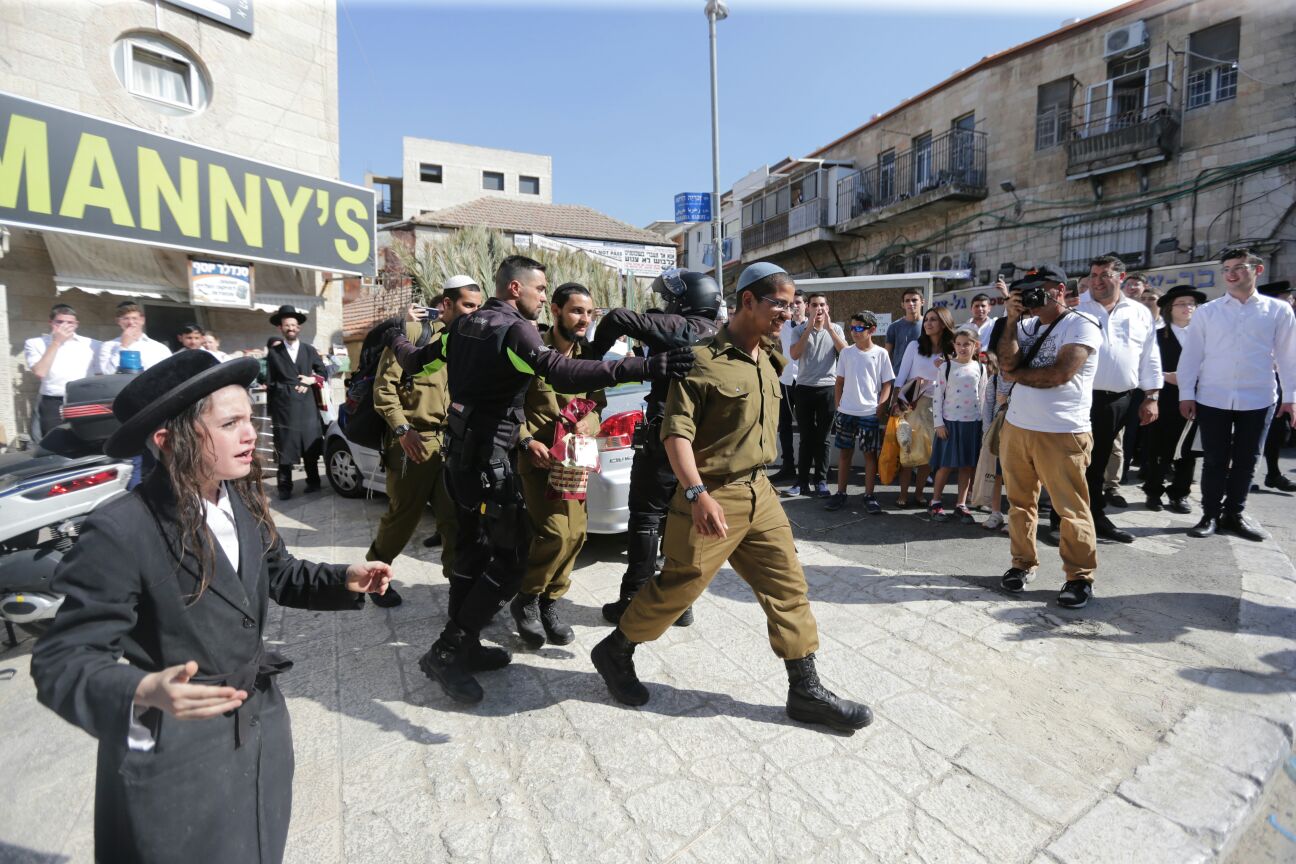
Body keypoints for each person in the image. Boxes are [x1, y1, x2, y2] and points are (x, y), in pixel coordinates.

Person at [30, 351, 391, 864]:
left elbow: (277, 573)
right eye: (230, 423)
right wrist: (141, 690)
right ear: (168, 439)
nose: (251, 434)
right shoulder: (121, 530)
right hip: (177, 755)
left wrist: (345, 580)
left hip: (260, 731)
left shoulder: (241, 498)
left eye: (250, 418)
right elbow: (60, 661)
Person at [383, 255, 693, 704]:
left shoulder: (462, 327)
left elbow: (416, 363)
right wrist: (644, 367)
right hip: (488, 463)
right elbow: (560, 371)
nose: (543, 297)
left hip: (462, 460)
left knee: (472, 556)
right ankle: (446, 652)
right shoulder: (512, 328)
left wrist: (394, 333)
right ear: (515, 289)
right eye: (541, 290)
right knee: (510, 562)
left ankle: (465, 646)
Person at [589, 262, 872, 735]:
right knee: (676, 589)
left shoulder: (770, 355)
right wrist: (697, 493)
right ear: (747, 302)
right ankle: (616, 651)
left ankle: (805, 688)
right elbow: (675, 434)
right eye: (779, 303)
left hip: (760, 492)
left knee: (788, 587)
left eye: (791, 302)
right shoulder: (699, 359)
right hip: (712, 494)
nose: (788, 311)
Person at [585, 268, 722, 628]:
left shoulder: (684, 328)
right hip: (702, 443)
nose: (665, 305)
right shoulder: (720, 334)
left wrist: (590, 357)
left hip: (667, 436)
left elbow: (617, 317)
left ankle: (633, 598)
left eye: (670, 299)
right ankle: (680, 602)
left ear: (685, 301)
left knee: (647, 517)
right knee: (682, 522)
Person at [365, 275, 483, 610]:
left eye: (478, 307)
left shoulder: (467, 341)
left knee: (453, 521)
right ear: (446, 304)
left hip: (450, 443)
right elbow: (384, 390)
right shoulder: (414, 335)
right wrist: (403, 432)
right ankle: (374, 579)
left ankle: (459, 592)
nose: (474, 313)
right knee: (403, 518)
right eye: (467, 306)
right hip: (411, 443)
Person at [996, 266, 1103, 609]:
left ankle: (1079, 576)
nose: (1030, 297)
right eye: (1024, 292)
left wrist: (1014, 373)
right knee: (1019, 503)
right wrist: (1011, 321)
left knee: (1070, 509)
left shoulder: (1082, 325)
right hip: (1017, 427)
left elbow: (1058, 374)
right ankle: (1022, 563)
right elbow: (1005, 362)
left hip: (1062, 431)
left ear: (1058, 290)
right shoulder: (1025, 325)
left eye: (1037, 290)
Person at [510, 283, 607, 647]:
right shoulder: (530, 348)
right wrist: (526, 439)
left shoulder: (588, 356)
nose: (584, 319)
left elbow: (597, 404)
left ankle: (550, 602)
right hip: (537, 462)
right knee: (554, 533)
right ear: (555, 310)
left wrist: (590, 424)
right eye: (576, 311)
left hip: (575, 460)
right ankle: (526, 599)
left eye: (589, 313)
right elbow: (506, 405)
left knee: (578, 533)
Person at [1179, 249, 1296, 541]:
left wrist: (1290, 397)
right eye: (1226, 268)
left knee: (1247, 459)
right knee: (1215, 459)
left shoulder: (1279, 311)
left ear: (1257, 270)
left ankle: (1234, 514)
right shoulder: (1208, 312)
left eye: (1238, 267)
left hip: (1259, 397)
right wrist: (1186, 393)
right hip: (1213, 396)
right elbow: (1192, 356)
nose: (1231, 273)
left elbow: (1287, 357)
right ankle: (1209, 515)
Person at [1074, 255, 1163, 544]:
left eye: (1104, 275)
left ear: (1120, 277)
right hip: (1078, 397)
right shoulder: (1076, 308)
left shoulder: (1139, 312)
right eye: (1094, 274)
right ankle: (1063, 520)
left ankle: (1094, 516)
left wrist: (1151, 395)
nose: (1097, 280)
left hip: (1119, 400)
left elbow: (1149, 355)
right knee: (1073, 462)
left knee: (1098, 463)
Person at [1143, 285, 1205, 513]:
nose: (1187, 307)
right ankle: (1153, 491)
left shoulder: (1204, 337)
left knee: (1188, 450)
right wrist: (1166, 377)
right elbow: (1145, 366)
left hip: (1197, 399)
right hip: (1165, 397)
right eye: (1182, 303)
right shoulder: (1157, 336)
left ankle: (1180, 494)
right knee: (1160, 447)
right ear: (1170, 308)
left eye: (1191, 303)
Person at [824, 311, 893, 513]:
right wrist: (838, 406)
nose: (854, 332)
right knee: (845, 454)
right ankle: (841, 493)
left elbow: (888, 383)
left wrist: (881, 405)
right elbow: (839, 382)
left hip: (869, 413)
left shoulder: (881, 353)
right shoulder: (846, 353)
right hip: (846, 412)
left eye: (858, 328)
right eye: (852, 328)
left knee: (869, 455)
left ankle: (869, 495)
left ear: (871, 329)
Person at [892, 308, 955, 508]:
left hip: (936, 407)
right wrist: (895, 401)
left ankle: (919, 494)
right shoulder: (914, 345)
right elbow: (902, 375)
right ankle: (902, 494)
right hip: (911, 404)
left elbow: (954, 383)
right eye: (926, 319)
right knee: (907, 451)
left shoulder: (951, 351)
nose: (928, 323)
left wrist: (945, 367)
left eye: (933, 320)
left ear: (944, 323)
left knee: (928, 455)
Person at [264, 305, 327, 501]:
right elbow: (270, 382)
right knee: (285, 446)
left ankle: (314, 482)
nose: (290, 328)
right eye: (286, 325)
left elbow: (323, 372)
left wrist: (310, 380)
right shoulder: (274, 353)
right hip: (284, 407)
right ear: (280, 329)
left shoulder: (309, 350)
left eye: (293, 325)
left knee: (309, 443)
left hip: (307, 405)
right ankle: (284, 487)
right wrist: (273, 408)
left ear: (298, 328)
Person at [787, 292, 847, 497]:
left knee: (823, 438)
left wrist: (829, 329)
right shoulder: (799, 330)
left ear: (827, 308)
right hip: (803, 387)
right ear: (808, 308)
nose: (818, 308)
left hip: (828, 388)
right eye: (814, 305)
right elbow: (794, 354)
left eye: (822, 305)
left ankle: (821, 481)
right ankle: (801, 482)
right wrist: (809, 328)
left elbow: (846, 353)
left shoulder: (836, 329)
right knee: (806, 437)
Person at [928, 325, 986, 523]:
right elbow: (938, 397)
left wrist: (985, 427)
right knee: (945, 465)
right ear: (953, 345)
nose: (962, 348)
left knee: (967, 466)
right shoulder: (947, 367)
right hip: (950, 423)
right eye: (959, 344)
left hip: (973, 424)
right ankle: (935, 501)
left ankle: (961, 504)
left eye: (967, 344)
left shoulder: (981, 367)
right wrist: (939, 424)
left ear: (975, 346)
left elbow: (984, 397)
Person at [24, 303, 98, 439]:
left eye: (69, 322)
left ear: (76, 324)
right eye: (59, 322)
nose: (64, 326)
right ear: (51, 322)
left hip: (83, 399)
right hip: (53, 401)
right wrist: (56, 342)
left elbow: (103, 372)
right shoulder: (35, 343)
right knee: (55, 440)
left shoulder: (93, 344)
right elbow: (40, 371)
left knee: (87, 438)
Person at [1258, 281, 1296, 492]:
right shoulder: (1265, 319)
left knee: (1279, 431)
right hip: (1264, 382)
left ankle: (1273, 473)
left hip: (1286, 382)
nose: (1291, 302)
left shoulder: (1290, 319)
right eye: (1286, 298)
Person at [770, 289, 807, 483]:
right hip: (785, 379)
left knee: (806, 426)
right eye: (792, 304)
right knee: (784, 425)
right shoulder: (783, 325)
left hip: (805, 381)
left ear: (806, 305)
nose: (795, 306)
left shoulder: (813, 326)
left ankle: (807, 466)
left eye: (799, 303)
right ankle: (787, 466)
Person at [95, 300, 172, 375]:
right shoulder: (108, 346)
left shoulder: (160, 348)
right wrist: (123, 346)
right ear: (118, 321)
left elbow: (170, 374)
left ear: (142, 320)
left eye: (134, 318)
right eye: (126, 318)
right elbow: (107, 374)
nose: (131, 322)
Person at [885, 287, 924, 373]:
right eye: (907, 301)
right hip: (899, 377)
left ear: (922, 302)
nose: (911, 303)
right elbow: (886, 355)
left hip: (924, 377)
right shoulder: (894, 327)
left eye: (914, 300)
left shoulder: (929, 325)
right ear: (903, 305)